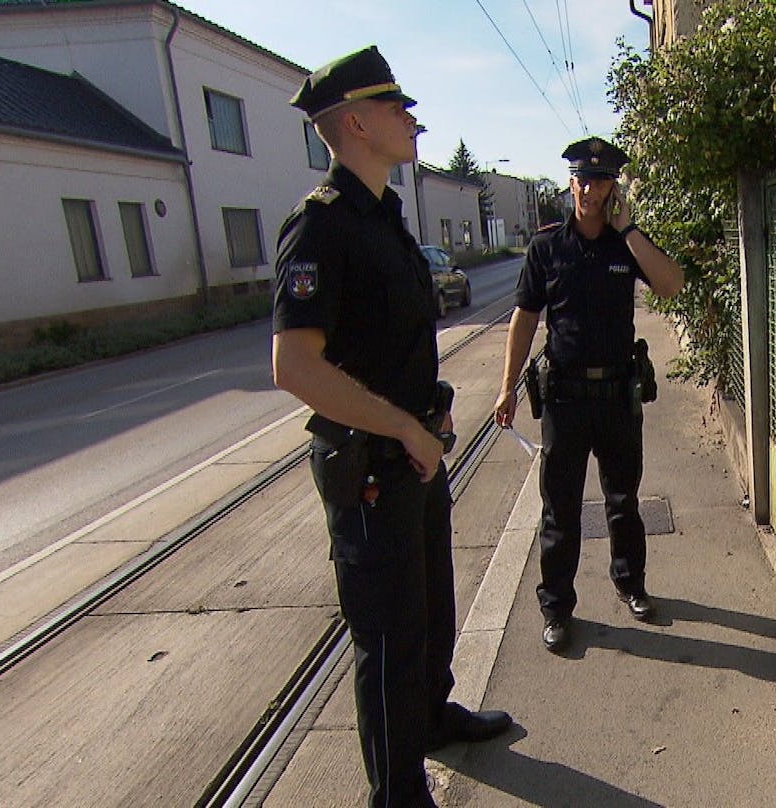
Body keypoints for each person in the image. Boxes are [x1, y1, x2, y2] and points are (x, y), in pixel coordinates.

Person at [271, 45, 510, 807]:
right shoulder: (321, 228)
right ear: (354, 122)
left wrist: (426, 423)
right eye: (396, 107)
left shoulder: (386, 220)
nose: (412, 118)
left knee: (429, 609)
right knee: (384, 634)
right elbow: (295, 368)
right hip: (371, 465)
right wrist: (405, 429)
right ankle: (397, 793)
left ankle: (432, 720)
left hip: (412, 455)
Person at [492, 136, 685, 653]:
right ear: (570, 183)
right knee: (561, 507)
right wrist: (507, 385)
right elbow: (525, 318)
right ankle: (556, 607)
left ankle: (630, 583)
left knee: (623, 499)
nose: (591, 189)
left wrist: (629, 229)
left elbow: (671, 284)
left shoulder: (626, 244)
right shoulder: (547, 248)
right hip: (566, 399)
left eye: (601, 181)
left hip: (618, 394)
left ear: (612, 189)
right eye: (583, 179)